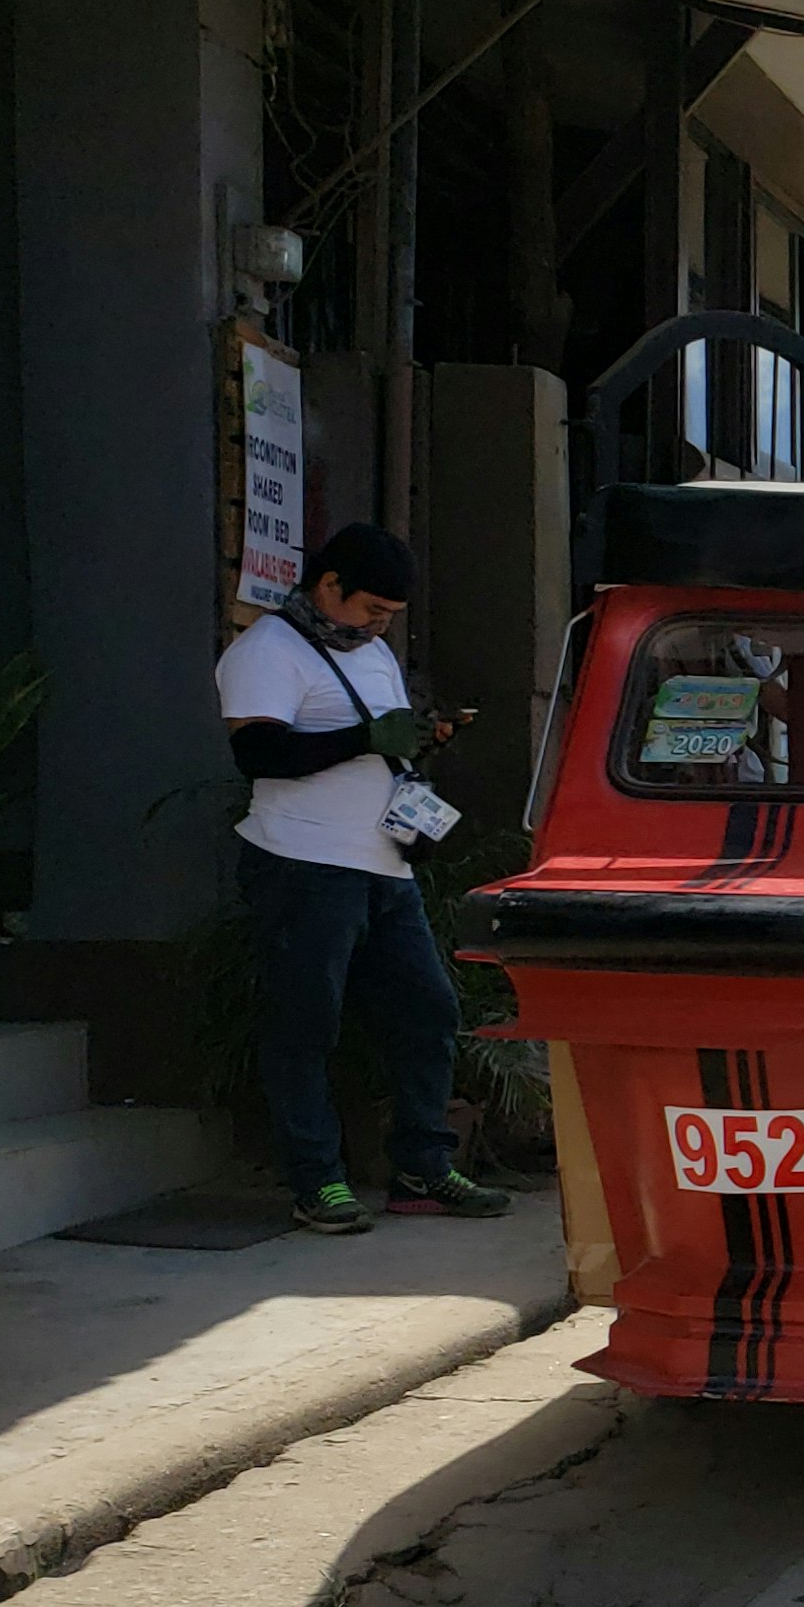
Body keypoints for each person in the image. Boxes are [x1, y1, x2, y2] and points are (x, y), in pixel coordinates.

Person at [216, 523, 512, 1234]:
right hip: (303, 861)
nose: (380, 624)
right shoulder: (267, 649)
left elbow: (372, 742)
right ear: (328, 587)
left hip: (383, 864)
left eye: (390, 616)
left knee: (428, 1012)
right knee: (304, 1021)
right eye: (371, 608)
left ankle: (422, 1165)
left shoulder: (371, 653)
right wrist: (367, 739)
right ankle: (316, 1180)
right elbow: (259, 752)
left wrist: (416, 740)